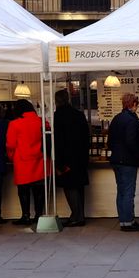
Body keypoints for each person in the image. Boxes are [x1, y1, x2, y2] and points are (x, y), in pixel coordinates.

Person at [107, 92, 139, 232]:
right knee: (129, 191)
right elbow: (131, 141)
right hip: (127, 161)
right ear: (134, 104)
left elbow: (110, 141)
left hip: (116, 159)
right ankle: (129, 221)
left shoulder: (116, 118)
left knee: (121, 191)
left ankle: (123, 220)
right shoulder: (131, 120)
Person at [53, 88, 90, 227]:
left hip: (66, 158)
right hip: (80, 157)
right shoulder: (79, 115)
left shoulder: (58, 116)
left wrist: (59, 162)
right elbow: (86, 137)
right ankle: (80, 215)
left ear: (56, 101)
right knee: (79, 187)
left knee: (70, 187)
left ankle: (76, 216)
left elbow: (58, 141)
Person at [5, 98, 45, 225]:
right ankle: (39, 214)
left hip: (22, 161)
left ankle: (26, 216)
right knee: (38, 190)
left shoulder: (14, 124)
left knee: (23, 190)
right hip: (39, 160)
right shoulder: (42, 121)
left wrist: (11, 157)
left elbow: (10, 145)